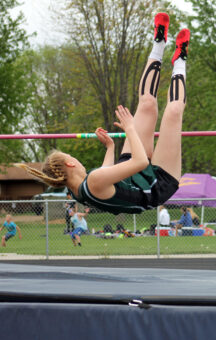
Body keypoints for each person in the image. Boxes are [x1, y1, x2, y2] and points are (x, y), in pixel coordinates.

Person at [16, 13, 190, 216]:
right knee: (173, 113)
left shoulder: (80, 189)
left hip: (131, 172)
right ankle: (180, 60)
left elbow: (106, 172)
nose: (77, 159)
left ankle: (159, 42)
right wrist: (130, 128)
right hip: (156, 187)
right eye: (72, 156)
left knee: (148, 105)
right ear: (69, 163)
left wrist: (110, 147)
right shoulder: (90, 183)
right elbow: (141, 162)